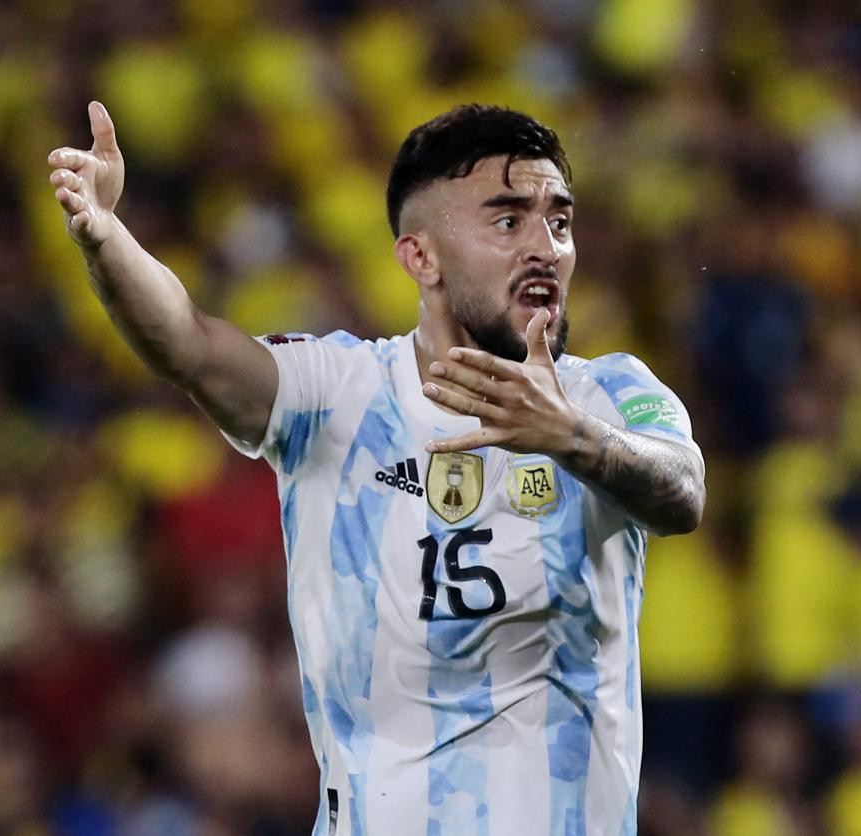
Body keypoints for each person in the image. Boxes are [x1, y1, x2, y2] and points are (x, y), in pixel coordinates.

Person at [49, 101, 705, 835]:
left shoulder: (609, 393)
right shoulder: (340, 392)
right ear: (419, 256)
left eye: (559, 221)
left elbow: (682, 487)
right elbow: (190, 346)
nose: (546, 248)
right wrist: (106, 240)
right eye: (507, 220)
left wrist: (572, 438)